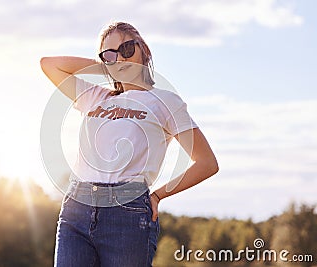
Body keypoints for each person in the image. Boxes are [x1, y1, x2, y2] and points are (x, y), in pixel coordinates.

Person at [40, 21, 219, 267]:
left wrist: (157, 196)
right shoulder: (95, 97)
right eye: (110, 54)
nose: (120, 58)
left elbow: (207, 163)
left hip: (128, 212)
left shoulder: (165, 101)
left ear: (144, 50)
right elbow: (49, 64)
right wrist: (107, 67)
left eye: (126, 49)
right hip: (76, 209)